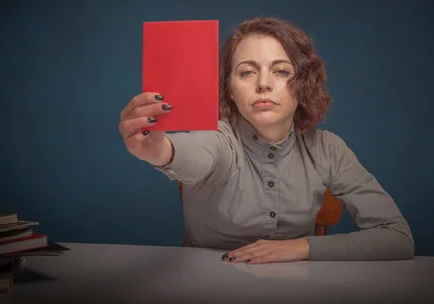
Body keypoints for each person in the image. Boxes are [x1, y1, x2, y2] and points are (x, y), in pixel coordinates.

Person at [119, 16, 414, 264]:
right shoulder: (219, 137)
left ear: (302, 85)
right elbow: (194, 152)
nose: (263, 83)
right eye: (247, 72)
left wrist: (301, 247)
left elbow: (397, 237)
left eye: (281, 71)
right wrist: (160, 150)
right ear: (231, 90)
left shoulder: (328, 148)